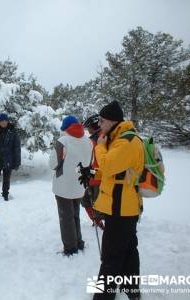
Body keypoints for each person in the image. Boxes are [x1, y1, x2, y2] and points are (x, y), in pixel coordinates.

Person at [92, 101, 144, 300]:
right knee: (128, 251)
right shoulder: (120, 138)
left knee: (111, 257)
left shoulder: (127, 140)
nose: (99, 124)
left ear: (112, 121)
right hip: (123, 207)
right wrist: (93, 173)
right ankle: (133, 291)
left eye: (102, 120)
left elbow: (109, 164)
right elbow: (116, 172)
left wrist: (100, 147)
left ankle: (103, 297)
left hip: (121, 208)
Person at [48, 115, 92, 256]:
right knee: (75, 215)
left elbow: (52, 164)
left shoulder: (63, 141)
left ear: (65, 128)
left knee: (65, 217)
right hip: (80, 184)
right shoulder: (87, 140)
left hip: (64, 185)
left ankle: (70, 248)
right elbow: (90, 161)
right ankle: (78, 242)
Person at [0, 113, 21, 201]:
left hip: (8, 158)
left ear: (7, 121)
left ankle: (5, 194)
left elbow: (17, 147)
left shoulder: (12, 131)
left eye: (5, 121)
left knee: (7, 178)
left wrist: (17, 162)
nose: (4, 122)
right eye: (2, 121)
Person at [81, 114, 104, 230]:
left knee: (98, 205)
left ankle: (102, 223)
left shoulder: (100, 138)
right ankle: (98, 222)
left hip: (98, 179)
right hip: (93, 178)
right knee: (86, 201)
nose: (87, 130)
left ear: (93, 126)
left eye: (88, 127)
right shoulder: (94, 139)